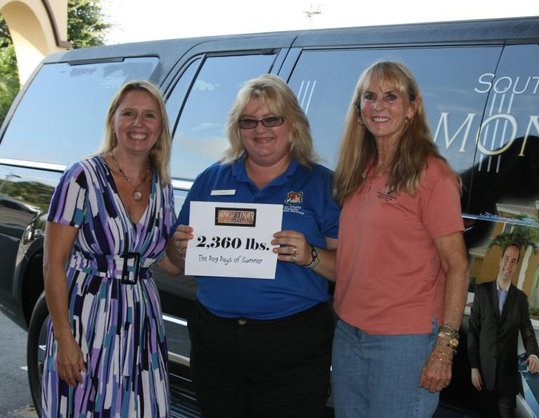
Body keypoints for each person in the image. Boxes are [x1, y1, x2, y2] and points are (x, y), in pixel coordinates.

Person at [167, 74, 339, 418]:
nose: (261, 130)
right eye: (249, 121)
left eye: (272, 119)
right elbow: (173, 265)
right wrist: (177, 245)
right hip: (215, 342)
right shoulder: (211, 179)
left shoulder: (321, 184)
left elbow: (348, 269)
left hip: (292, 346)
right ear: (238, 128)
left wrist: (311, 255)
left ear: (293, 124)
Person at [331, 60, 469, 417]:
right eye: (370, 97)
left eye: (391, 96)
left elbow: (457, 266)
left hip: (403, 343)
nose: (379, 106)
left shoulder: (432, 174)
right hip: (349, 334)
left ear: (412, 107)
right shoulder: (358, 169)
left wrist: (444, 348)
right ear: (359, 109)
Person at [42, 80, 180, 417]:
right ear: (113, 120)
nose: (138, 124)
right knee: (85, 407)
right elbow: (53, 263)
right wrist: (64, 340)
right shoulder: (82, 177)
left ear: (160, 126)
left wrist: (193, 247)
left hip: (142, 320)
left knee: (141, 407)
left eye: (149, 116)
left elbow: (168, 263)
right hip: (89, 316)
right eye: (129, 113)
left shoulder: (162, 184)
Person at [467, 242, 539, 418]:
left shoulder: (520, 299)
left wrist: (533, 354)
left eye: (513, 261)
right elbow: (473, 331)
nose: (508, 264)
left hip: (507, 381)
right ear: (500, 260)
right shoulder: (482, 291)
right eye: (506, 258)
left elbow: (527, 330)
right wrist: (474, 367)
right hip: (483, 376)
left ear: (516, 266)